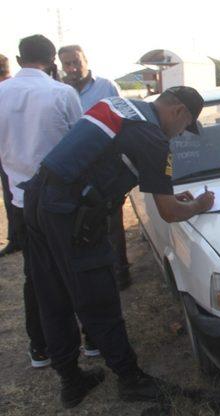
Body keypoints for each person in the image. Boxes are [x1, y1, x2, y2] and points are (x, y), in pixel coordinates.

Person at [22, 86, 214, 408]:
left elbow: (102, 157)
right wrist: (199, 205)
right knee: (97, 296)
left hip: (40, 197)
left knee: (51, 293)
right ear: (178, 111)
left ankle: (70, 381)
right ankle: (131, 379)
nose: (181, 134)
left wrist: (170, 196)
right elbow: (168, 213)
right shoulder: (153, 138)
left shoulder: (121, 106)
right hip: (71, 216)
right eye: (186, 126)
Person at [0, 35, 83, 368]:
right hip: (62, 199)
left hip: (20, 200)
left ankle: (41, 346)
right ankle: (90, 341)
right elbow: (81, 144)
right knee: (75, 269)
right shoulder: (63, 93)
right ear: (52, 60)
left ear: (19, 60)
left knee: (35, 275)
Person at [58, 44, 131, 291]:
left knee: (111, 220)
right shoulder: (59, 90)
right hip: (74, 168)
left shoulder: (106, 86)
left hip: (104, 165)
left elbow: (125, 120)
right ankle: (93, 276)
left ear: (86, 60)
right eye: (66, 63)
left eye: (76, 61)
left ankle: (120, 274)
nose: (72, 68)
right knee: (81, 222)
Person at [0, 53, 20, 257]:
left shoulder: (5, 91)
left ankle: (18, 238)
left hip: (10, 154)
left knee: (13, 196)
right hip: (19, 153)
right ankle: (17, 237)